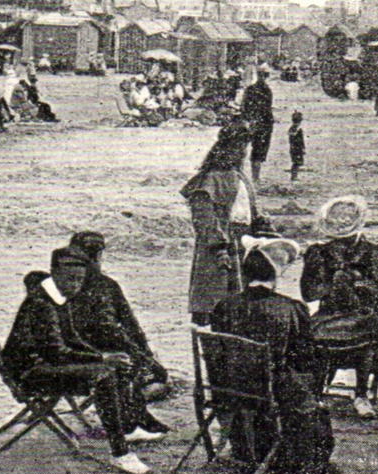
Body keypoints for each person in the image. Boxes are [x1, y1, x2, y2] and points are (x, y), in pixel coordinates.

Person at [1, 247, 157, 474]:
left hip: (44, 366)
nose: (75, 285)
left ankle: (126, 427)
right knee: (104, 377)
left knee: (115, 368)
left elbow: (72, 339)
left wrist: (105, 358)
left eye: (79, 280)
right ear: (53, 273)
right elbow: (58, 352)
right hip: (29, 374)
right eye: (69, 279)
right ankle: (120, 453)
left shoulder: (58, 297)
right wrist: (101, 359)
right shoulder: (41, 303)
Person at [207, 238, 336, 474]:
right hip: (269, 392)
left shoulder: (224, 306)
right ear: (276, 275)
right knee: (304, 386)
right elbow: (304, 356)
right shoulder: (291, 308)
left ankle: (246, 447)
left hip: (228, 389)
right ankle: (296, 460)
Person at [300, 197, 378, 419]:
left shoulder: (376, 252)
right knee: (312, 335)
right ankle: (316, 392)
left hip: (365, 314)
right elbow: (308, 293)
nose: (339, 244)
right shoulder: (318, 252)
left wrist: (362, 285)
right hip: (330, 315)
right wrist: (332, 286)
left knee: (368, 331)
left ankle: (361, 393)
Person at [67, 230, 172, 411]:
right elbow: (123, 328)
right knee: (161, 381)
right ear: (98, 256)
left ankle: (128, 397)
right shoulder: (105, 285)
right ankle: (129, 403)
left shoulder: (58, 284)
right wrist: (145, 357)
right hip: (99, 363)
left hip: (65, 359)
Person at [181, 114, 259, 325]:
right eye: (238, 148)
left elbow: (251, 212)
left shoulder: (240, 177)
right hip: (219, 250)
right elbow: (204, 220)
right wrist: (219, 248)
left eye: (244, 149)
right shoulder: (210, 179)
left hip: (244, 245)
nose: (242, 154)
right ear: (226, 149)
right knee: (215, 304)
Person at [241, 68, 275, 182]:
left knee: (249, 149)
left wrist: (248, 119)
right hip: (262, 123)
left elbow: (244, 106)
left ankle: (251, 177)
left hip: (254, 122)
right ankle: (255, 178)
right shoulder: (267, 90)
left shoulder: (250, 89)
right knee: (258, 150)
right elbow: (267, 108)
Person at [287, 111, 306, 182]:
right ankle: (294, 176)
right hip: (296, 148)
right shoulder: (297, 129)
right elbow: (300, 140)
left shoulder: (292, 128)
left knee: (296, 162)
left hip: (294, 148)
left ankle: (294, 176)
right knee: (296, 162)